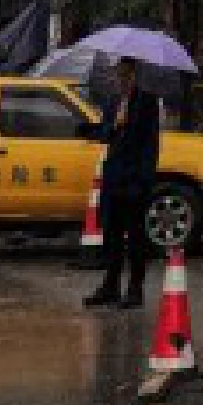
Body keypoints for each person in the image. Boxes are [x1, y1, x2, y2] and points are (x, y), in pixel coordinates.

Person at [82, 55, 161, 309]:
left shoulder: (147, 102)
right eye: (119, 76)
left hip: (135, 180)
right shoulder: (113, 101)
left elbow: (151, 144)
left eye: (126, 75)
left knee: (136, 237)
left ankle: (135, 289)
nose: (122, 80)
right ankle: (111, 285)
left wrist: (144, 179)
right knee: (112, 234)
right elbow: (105, 134)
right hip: (114, 178)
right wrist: (111, 127)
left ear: (134, 76)